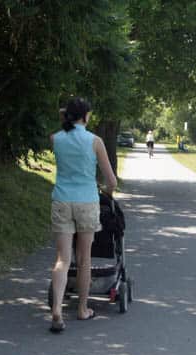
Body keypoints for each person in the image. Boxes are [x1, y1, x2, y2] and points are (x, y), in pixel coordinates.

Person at [49, 97, 117, 333]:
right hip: (87, 201)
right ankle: (82, 309)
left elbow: (65, 125)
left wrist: (66, 114)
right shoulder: (95, 141)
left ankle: (57, 308)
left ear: (66, 115)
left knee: (62, 260)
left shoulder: (56, 139)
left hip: (62, 200)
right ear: (86, 116)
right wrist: (107, 191)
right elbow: (112, 181)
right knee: (84, 258)